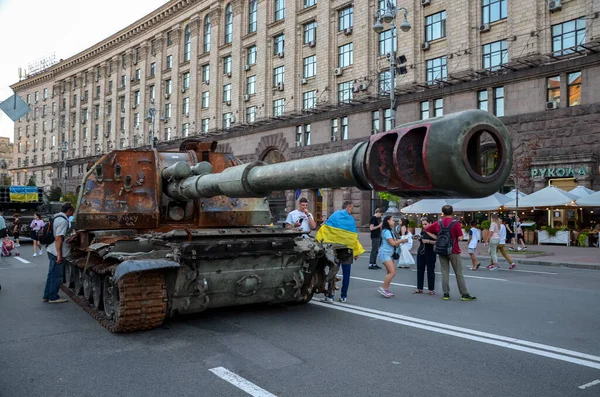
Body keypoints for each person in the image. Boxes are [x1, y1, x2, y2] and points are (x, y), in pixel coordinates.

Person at [315, 201, 364, 303]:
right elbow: (352, 237)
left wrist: (319, 241)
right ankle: (343, 296)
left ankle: (330, 296)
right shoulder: (351, 220)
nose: (352, 210)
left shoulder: (335, 215)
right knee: (347, 273)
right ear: (348, 207)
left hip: (335, 249)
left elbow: (326, 230)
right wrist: (356, 251)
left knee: (333, 271)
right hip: (347, 250)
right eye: (351, 208)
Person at [425, 205, 476, 301]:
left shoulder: (438, 222)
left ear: (442, 212)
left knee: (444, 272)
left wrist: (437, 238)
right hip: (454, 250)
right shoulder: (455, 223)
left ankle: (446, 293)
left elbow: (426, 229)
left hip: (441, 249)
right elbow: (460, 238)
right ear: (452, 212)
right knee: (458, 273)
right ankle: (464, 294)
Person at [43, 203, 75, 304]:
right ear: (69, 210)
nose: (73, 212)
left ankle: (47, 295)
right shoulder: (63, 221)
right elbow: (58, 238)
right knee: (57, 275)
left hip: (51, 249)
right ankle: (53, 297)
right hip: (56, 251)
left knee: (51, 274)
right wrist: (59, 255)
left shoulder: (56, 217)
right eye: (72, 210)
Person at [377, 215, 402, 298]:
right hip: (385, 254)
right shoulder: (386, 231)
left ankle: (386, 289)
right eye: (392, 220)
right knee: (392, 272)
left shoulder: (389, 230)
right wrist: (402, 240)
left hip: (389, 253)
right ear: (388, 221)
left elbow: (393, 242)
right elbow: (392, 243)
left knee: (389, 272)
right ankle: (383, 288)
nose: (394, 222)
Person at [415, 216, 436, 295]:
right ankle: (419, 287)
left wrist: (428, 241)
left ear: (430, 223)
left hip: (430, 251)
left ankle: (431, 289)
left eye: (425, 224)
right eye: (423, 224)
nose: (424, 226)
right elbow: (422, 238)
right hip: (421, 250)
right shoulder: (423, 230)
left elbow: (437, 240)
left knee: (430, 270)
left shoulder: (434, 230)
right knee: (420, 269)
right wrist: (419, 239)